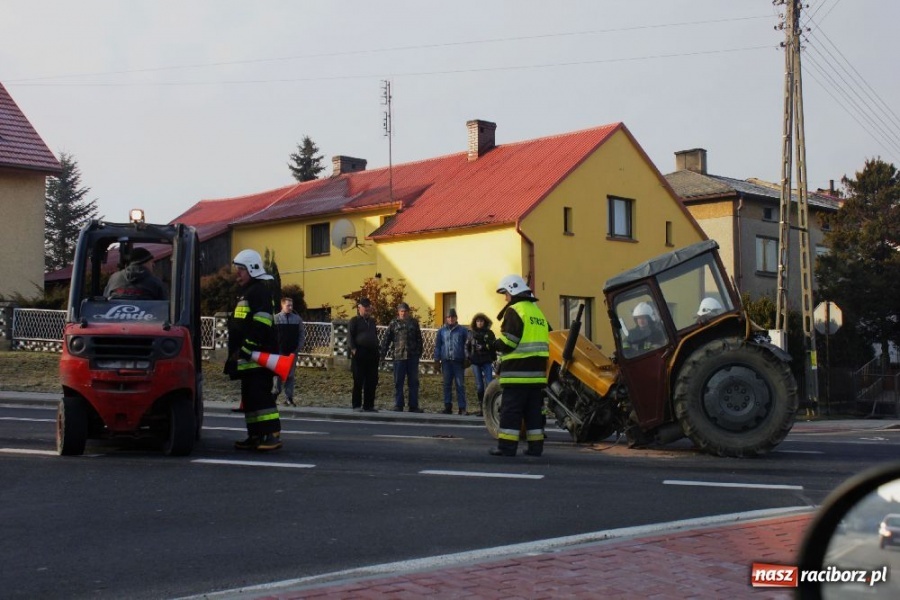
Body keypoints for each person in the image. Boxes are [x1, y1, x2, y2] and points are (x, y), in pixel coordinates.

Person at [225, 249, 282, 451]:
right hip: (248, 358)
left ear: (252, 269)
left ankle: (272, 434)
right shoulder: (249, 292)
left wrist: (247, 347)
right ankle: (255, 435)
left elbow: (262, 323)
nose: (237, 274)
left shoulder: (258, 291)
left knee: (261, 396)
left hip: (257, 356)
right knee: (249, 398)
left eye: (241, 270)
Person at [491, 274, 549, 457]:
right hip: (537, 374)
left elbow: (510, 342)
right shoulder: (537, 312)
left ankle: (506, 448)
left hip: (517, 373)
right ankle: (535, 448)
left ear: (512, 290)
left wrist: (492, 344)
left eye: (506, 294)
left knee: (510, 411)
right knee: (533, 413)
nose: (505, 298)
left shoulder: (515, 310)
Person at [380, 302, 424, 412]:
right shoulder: (393, 323)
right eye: (401, 311)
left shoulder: (414, 323)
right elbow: (386, 339)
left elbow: (419, 339)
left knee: (413, 382)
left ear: (408, 312)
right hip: (398, 356)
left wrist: (419, 353)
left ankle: (413, 405)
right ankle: (398, 405)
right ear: (398, 312)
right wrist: (382, 354)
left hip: (412, 356)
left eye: (405, 311)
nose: (403, 313)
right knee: (398, 381)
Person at [434, 308, 469, 415]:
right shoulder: (441, 331)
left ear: (456, 318)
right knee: (447, 384)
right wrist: (436, 360)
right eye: (449, 317)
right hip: (446, 362)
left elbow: (466, 346)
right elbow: (438, 346)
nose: (451, 319)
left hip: (458, 361)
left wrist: (467, 358)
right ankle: (447, 406)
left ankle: (462, 408)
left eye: (453, 317)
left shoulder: (462, 331)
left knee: (460, 385)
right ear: (446, 318)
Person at [348, 297, 380, 412]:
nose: (367, 311)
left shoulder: (372, 322)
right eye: (365, 309)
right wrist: (354, 350)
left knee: (371, 380)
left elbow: (374, 335)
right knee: (358, 380)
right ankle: (356, 405)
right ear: (359, 308)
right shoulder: (354, 321)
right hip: (359, 353)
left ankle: (369, 405)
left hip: (372, 354)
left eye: (369, 309)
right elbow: (350, 337)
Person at [273, 297, 305, 407]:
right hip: (279, 351)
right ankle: (275, 393)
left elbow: (301, 334)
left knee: (290, 375)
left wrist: (299, 347)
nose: (290, 308)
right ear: (282, 306)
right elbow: (271, 335)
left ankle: (289, 398)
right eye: (288, 305)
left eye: (291, 305)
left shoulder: (297, 319)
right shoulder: (276, 319)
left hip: (292, 351)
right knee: (277, 374)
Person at [104, 247, 168, 300]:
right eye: (151, 262)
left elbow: (105, 299)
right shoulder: (155, 282)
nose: (153, 265)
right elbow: (164, 307)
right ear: (145, 262)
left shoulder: (114, 278)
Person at [465, 312, 497, 417]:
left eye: (481, 321)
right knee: (479, 386)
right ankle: (482, 408)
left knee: (489, 384)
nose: (479, 323)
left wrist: (486, 347)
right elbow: (466, 347)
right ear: (475, 322)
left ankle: (490, 408)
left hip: (486, 361)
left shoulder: (489, 333)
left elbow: (494, 346)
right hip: (475, 362)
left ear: (485, 322)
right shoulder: (471, 333)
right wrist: (469, 357)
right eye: (478, 321)